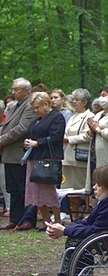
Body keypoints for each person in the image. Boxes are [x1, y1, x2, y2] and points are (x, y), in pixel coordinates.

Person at [0, 78, 39, 231]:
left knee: (24, 188)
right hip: (10, 154)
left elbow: (22, 128)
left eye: (16, 89)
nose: (13, 92)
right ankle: (15, 219)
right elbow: (8, 126)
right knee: (13, 189)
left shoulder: (29, 105)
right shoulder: (16, 105)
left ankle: (28, 219)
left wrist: (2, 140)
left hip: (20, 154)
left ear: (26, 90)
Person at [23, 92, 66, 229]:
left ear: (46, 104)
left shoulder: (57, 118)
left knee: (48, 191)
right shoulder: (37, 120)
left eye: (37, 107)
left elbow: (56, 137)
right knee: (36, 192)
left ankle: (57, 221)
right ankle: (47, 222)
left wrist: (37, 143)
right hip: (34, 159)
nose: (36, 111)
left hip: (48, 159)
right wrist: (28, 143)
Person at [61, 89, 93, 215]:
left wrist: (69, 139)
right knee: (69, 188)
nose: (74, 102)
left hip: (79, 157)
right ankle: (74, 214)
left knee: (83, 187)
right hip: (67, 156)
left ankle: (87, 213)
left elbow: (88, 136)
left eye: (77, 99)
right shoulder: (73, 116)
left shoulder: (89, 116)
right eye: (73, 99)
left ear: (85, 102)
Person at [86, 87, 108, 188]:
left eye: (104, 95)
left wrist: (98, 129)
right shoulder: (99, 114)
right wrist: (91, 130)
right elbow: (89, 134)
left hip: (107, 155)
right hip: (94, 155)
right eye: (100, 95)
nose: (100, 98)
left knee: (106, 183)